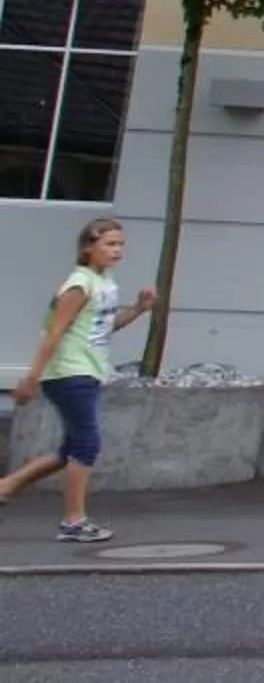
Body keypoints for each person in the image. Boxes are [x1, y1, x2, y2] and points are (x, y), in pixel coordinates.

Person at [1, 217, 155, 544]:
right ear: (89, 248)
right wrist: (30, 378)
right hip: (70, 372)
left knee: (72, 447)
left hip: (87, 369)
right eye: (110, 244)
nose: (118, 251)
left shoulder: (103, 282)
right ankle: (73, 521)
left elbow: (103, 327)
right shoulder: (78, 285)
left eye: (121, 244)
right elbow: (53, 333)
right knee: (86, 445)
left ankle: (6, 487)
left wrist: (140, 309)